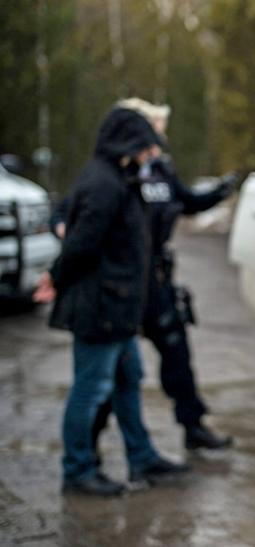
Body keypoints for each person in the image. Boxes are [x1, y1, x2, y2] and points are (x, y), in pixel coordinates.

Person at [51, 97, 237, 451]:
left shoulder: (160, 172)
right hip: (119, 282)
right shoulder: (113, 177)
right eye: (152, 132)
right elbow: (73, 218)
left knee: (170, 354)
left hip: (153, 279)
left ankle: (188, 426)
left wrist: (220, 191)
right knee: (109, 370)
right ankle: (86, 451)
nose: (156, 143)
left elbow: (187, 201)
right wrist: (63, 244)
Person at [40, 108, 189, 496]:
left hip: (119, 310)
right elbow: (81, 244)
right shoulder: (103, 183)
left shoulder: (120, 178)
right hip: (100, 308)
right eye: (145, 146)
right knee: (89, 391)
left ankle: (142, 457)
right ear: (127, 143)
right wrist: (55, 277)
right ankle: (77, 469)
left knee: (128, 381)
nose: (150, 154)